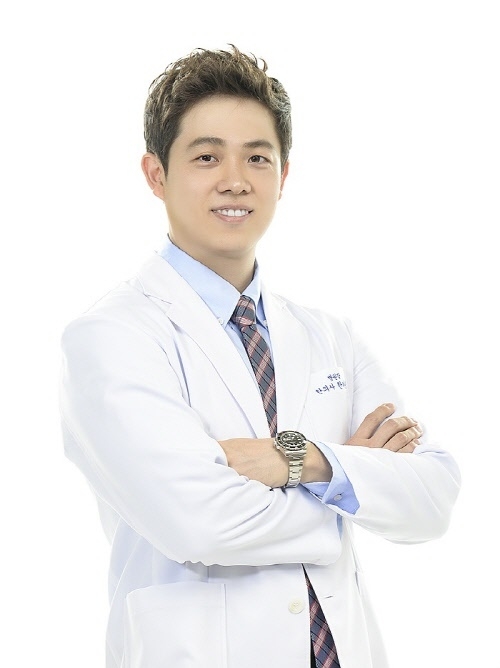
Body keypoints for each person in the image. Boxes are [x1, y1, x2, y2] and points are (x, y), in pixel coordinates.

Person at [59, 45, 461, 668]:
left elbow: (431, 499)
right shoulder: (111, 336)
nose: (235, 180)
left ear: (283, 175)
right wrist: (352, 485)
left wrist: (297, 459)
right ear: (156, 174)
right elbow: (198, 520)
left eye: (257, 157)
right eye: (206, 157)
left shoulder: (331, 335)